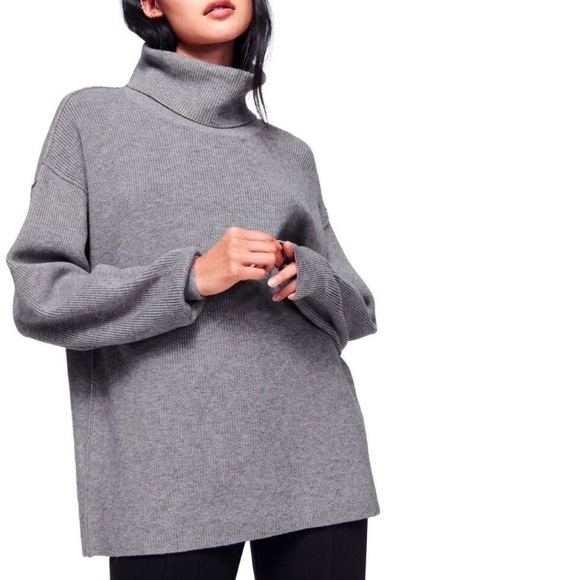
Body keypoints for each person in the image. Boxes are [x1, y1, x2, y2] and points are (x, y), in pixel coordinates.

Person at [5, 0, 381, 578]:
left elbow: (359, 312)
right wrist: (191, 277)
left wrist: (304, 270)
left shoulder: (291, 154)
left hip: (316, 462)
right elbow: (40, 296)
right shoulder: (92, 119)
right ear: (150, 3)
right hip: (167, 476)